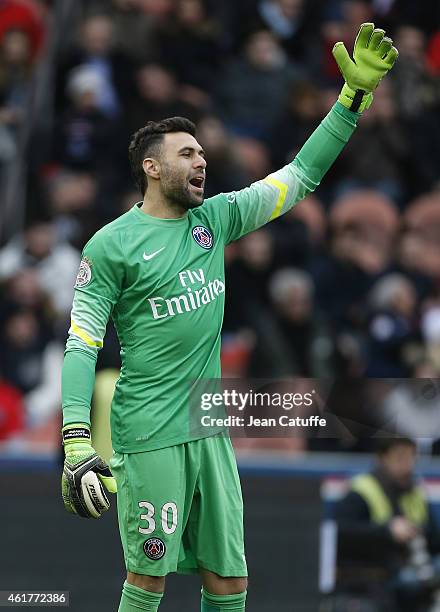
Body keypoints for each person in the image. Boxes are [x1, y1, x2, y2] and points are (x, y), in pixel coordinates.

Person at [60, 23, 398, 612]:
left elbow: (300, 177)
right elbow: (82, 344)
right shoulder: (109, 247)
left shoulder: (213, 221)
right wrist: (74, 439)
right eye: (186, 153)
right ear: (152, 168)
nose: (202, 160)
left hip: (209, 430)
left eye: (202, 152)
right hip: (148, 434)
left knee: (230, 583)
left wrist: (348, 103)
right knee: (147, 583)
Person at [334, 438, 440, 612]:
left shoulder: (415, 491)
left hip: (416, 567)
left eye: (411, 458)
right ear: (381, 459)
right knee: (409, 581)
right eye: (400, 458)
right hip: (375, 577)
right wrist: (387, 531)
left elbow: (434, 539)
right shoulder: (361, 490)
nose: (407, 465)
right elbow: (341, 533)